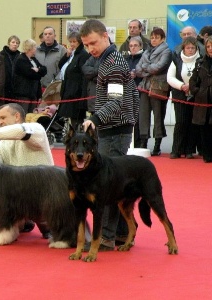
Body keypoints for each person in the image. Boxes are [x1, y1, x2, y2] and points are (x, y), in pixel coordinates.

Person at [80, 19, 139, 251]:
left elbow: (116, 101)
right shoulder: (107, 60)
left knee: (107, 186)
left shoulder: (113, 62)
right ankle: (121, 236)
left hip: (115, 131)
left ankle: (104, 238)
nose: (90, 49)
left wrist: (94, 119)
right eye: (85, 45)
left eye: (93, 42)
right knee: (117, 184)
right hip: (113, 129)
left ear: (106, 36)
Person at [0, 103, 54, 238]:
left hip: (43, 193)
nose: (0, 122)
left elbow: (21, 131)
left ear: (17, 116)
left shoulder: (36, 129)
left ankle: (44, 223)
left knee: (53, 230)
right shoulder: (0, 144)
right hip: (17, 196)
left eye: (3, 118)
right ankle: (24, 221)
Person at [135, 28, 172, 156]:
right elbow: (138, 70)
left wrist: (146, 68)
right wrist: (148, 68)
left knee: (158, 116)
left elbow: (158, 67)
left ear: (162, 38)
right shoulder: (146, 51)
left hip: (159, 88)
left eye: (156, 37)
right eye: (152, 37)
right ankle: (143, 142)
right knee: (143, 115)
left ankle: (157, 145)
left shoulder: (167, 51)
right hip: (144, 86)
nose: (153, 40)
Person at [167, 36, 200, 159]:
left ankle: (190, 150)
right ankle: (176, 150)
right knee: (180, 122)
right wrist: (182, 86)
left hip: (195, 95)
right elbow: (170, 78)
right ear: (183, 49)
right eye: (188, 48)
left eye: (192, 48)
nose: (190, 50)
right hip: (180, 94)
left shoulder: (200, 60)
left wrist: (192, 87)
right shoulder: (176, 60)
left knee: (192, 123)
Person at [57, 31, 90, 130]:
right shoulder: (72, 54)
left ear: (79, 42)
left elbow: (83, 75)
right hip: (68, 89)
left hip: (76, 91)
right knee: (71, 118)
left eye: (74, 42)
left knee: (77, 118)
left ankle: (78, 137)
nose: (71, 44)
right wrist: (66, 55)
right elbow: (60, 66)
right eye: (70, 42)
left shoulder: (83, 55)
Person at [189, 36, 212, 163]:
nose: (210, 49)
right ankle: (207, 155)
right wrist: (196, 91)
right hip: (202, 101)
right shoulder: (200, 63)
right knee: (204, 129)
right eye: (208, 46)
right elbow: (193, 81)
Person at [14, 39, 47, 113]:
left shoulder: (33, 59)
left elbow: (44, 70)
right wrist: (38, 73)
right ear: (30, 48)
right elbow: (31, 74)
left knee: (32, 115)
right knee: (24, 113)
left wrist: (38, 70)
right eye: (35, 47)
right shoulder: (21, 59)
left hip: (34, 92)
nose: (36, 49)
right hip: (24, 93)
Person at [125, 36, 145, 147]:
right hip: (127, 92)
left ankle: (139, 142)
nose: (133, 48)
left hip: (140, 91)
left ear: (141, 46)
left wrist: (137, 73)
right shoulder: (126, 59)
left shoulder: (143, 57)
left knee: (139, 119)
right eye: (131, 46)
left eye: (135, 45)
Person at [0, 35, 21, 101]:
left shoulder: (20, 56)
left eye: (17, 43)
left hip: (16, 87)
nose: (15, 44)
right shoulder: (1, 55)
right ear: (9, 43)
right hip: (4, 86)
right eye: (13, 42)